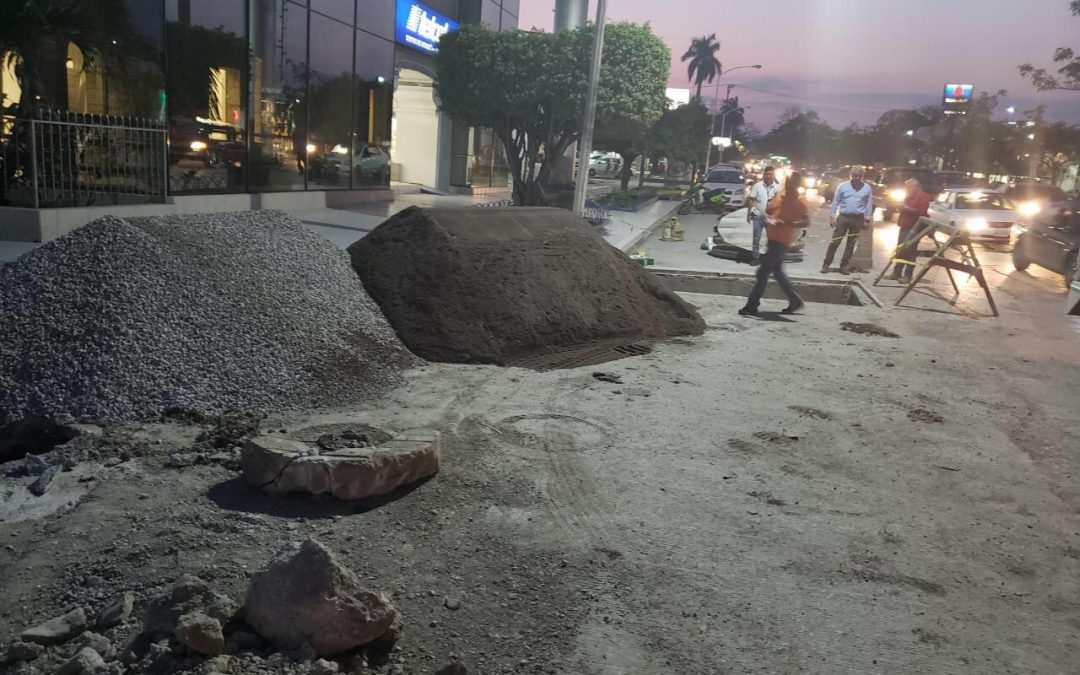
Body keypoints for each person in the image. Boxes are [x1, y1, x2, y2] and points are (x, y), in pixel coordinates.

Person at [739, 172, 807, 316]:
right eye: (789, 182)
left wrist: (788, 223)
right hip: (772, 239)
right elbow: (769, 211)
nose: (790, 185)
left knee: (762, 272)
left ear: (798, 184)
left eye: (793, 183)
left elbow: (806, 221)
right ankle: (795, 300)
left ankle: (752, 304)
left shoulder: (800, 202)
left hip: (781, 241)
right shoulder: (780, 196)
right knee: (777, 272)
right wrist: (765, 216)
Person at [821, 165, 874, 274]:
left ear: (862, 176)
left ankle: (844, 266)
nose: (857, 179)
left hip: (858, 219)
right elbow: (835, 202)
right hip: (843, 217)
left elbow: (868, 204)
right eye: (855, 176)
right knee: (835, 241)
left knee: (851, 244)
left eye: (859, 177)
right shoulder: (843, 187)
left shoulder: (866, 188)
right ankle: (826, 264)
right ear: (851, 175)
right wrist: (832, 216)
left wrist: (867, 219)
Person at [887, 178, 931, 281]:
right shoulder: (908, 195)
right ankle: (897, 272)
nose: (906, 189)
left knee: (910, 251)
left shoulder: (923, 196)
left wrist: (905, 208)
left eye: (908, 187)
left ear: (914, 187)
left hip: (914, 227)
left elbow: (921, 212)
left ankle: (908, 275)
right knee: (901, 249)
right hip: (904, 225)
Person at [748, 166, 782, 265]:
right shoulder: (757, 186)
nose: (768, 176)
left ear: (773, 175)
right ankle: (755, 258)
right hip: (758, 215)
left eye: (770, 174)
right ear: (764, 175)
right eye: (766, 174)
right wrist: (749, 213)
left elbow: (780, 203)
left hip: (771, 217)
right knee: (756, 237)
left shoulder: (777, 188)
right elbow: (752, 200)